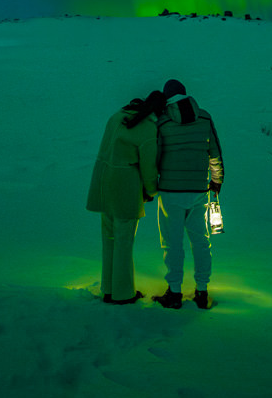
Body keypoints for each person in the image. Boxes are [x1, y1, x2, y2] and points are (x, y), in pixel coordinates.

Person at [86, 90, 166, 304]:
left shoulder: (117, 116)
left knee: (109, 239)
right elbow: (149, 168)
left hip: (104, 184)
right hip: (125, 188)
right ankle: (123, 293)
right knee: (123, 241)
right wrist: (152, 191)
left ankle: (109, 289)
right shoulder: (148, 128)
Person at [153, 79, 224, 310]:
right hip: (198, 190)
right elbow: (214, 151)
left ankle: (174, 292)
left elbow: (155, 155)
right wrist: (216, 180)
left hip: (170, 191)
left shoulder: (162, 121)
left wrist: (152, 183)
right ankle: (202, 291)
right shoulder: (203, 117)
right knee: (201, 242)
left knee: (172, 244)